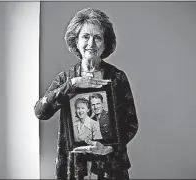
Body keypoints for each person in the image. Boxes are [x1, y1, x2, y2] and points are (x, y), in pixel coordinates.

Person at [34, 8, 138, 180]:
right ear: (76, 41)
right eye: (85, 37)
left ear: (105, 44)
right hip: (74, 166)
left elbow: (132, 124)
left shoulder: (117, 77)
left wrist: (110, 147)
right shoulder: (66, 78)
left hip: (110, 166)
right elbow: (40, 112)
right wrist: (72, 85)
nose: (91, 43)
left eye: (98, 37)